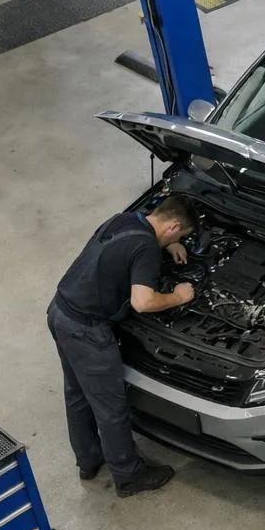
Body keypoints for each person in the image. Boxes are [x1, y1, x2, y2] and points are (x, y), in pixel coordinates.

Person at [48, 195, 197, 496]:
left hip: (60, 311)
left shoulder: (123, 219)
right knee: (111, 407)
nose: (180, 239)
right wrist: (179, 297)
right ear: (174, 226)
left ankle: (89, 461)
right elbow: (143, 302)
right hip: (87, 331)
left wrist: (169, 244)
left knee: (77, 393)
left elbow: (130, 246)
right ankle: (128, 476)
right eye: (180, 235)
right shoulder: (145, 249)